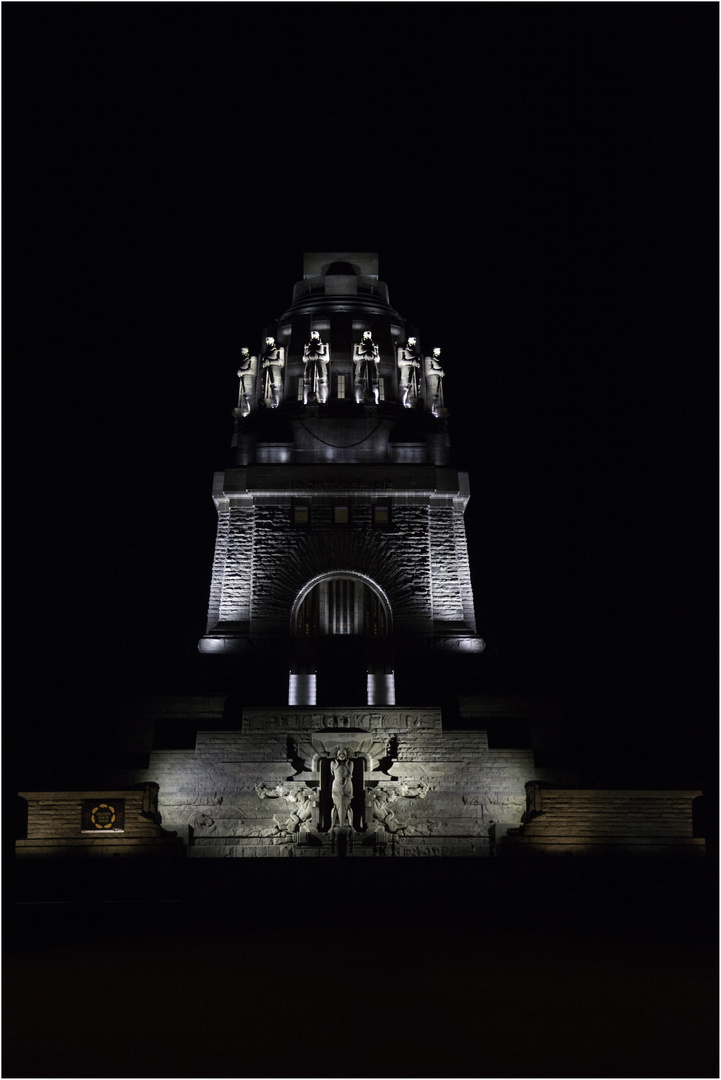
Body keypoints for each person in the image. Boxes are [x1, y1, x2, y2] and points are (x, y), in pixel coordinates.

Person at [302, 330, 329, 404]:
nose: (313, 336)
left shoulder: (323, 345)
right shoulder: (308, 346)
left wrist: (318, 356)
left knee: (322, 383)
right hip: (309, 366)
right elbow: (304, 358)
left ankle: (322, 400)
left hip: (320, 365)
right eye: (312, 335)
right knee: (306, 383)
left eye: (315, 335)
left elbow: (326, 358)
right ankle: (306, 401)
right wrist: (309, 356)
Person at [353, 330, 380, 404]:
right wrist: (363, 356)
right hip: (361, 366)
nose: (368, 336)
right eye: (366, 335)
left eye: (369, 335)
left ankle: (376, 401)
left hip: (373, 366)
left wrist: (373, 356)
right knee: (359, 383)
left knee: (375, 384)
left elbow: (378, 358)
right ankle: (359, 401)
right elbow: (355, 357)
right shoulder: (358, 345)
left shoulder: (375, 346)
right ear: (364, 336)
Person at [330, 748, 354, 829]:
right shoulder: (333, 763)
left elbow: (350, 775)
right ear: (337, 754)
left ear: (346, 754)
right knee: (335, 806)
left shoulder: (350, 763)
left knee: (348, 806)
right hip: (336, 785)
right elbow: (332, 773)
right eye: (340, 753)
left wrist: (345, 783)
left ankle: (351, 825)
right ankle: (332, 825)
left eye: (343, 753)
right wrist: (339, 784)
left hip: (347, 785)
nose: (341, 755)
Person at [397, 337, 421, 407]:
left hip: (415, 372)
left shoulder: (415, 351)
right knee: (405, 389)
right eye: (412, 341)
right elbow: (400, 363)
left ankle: (413, 405)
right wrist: (411, 362)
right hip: (406, 372)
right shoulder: (402, 349)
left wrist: (417, 363)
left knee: (415, 390)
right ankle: (403, 404)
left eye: (414, 341)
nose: (413, 343)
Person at [261, 336, 284, 407]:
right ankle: (267, 404)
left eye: (269, 341)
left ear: (273, 341)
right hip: (266, 372)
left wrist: (270, 362)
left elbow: (281, 362)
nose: (268, 343)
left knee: (276, 389)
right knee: (265, 389)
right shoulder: (265, 352)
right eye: (267, 342)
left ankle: (277, 405)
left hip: (275, 372)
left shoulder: (279, 349)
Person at [236, 346, 257, 417]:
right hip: (243, 381)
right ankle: (245, 413)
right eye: (241, 350)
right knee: (244, 397)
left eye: (243, 350)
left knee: (248, 398)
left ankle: (249, 412)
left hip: (248, 382)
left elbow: (252, 371)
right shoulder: (243, 360)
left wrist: (241, 372)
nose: (242, 352)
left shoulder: (251, 359)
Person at [425, 347, 445, 415]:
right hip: (432, 382)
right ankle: (432, 411)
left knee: (437, 398)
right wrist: (439, 372)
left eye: (439, 350)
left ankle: (436, 412)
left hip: (438, 381)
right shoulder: (429, 358)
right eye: (437, 350)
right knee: (433, 398)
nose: (438, 352)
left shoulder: (439, 360)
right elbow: (428, 371)